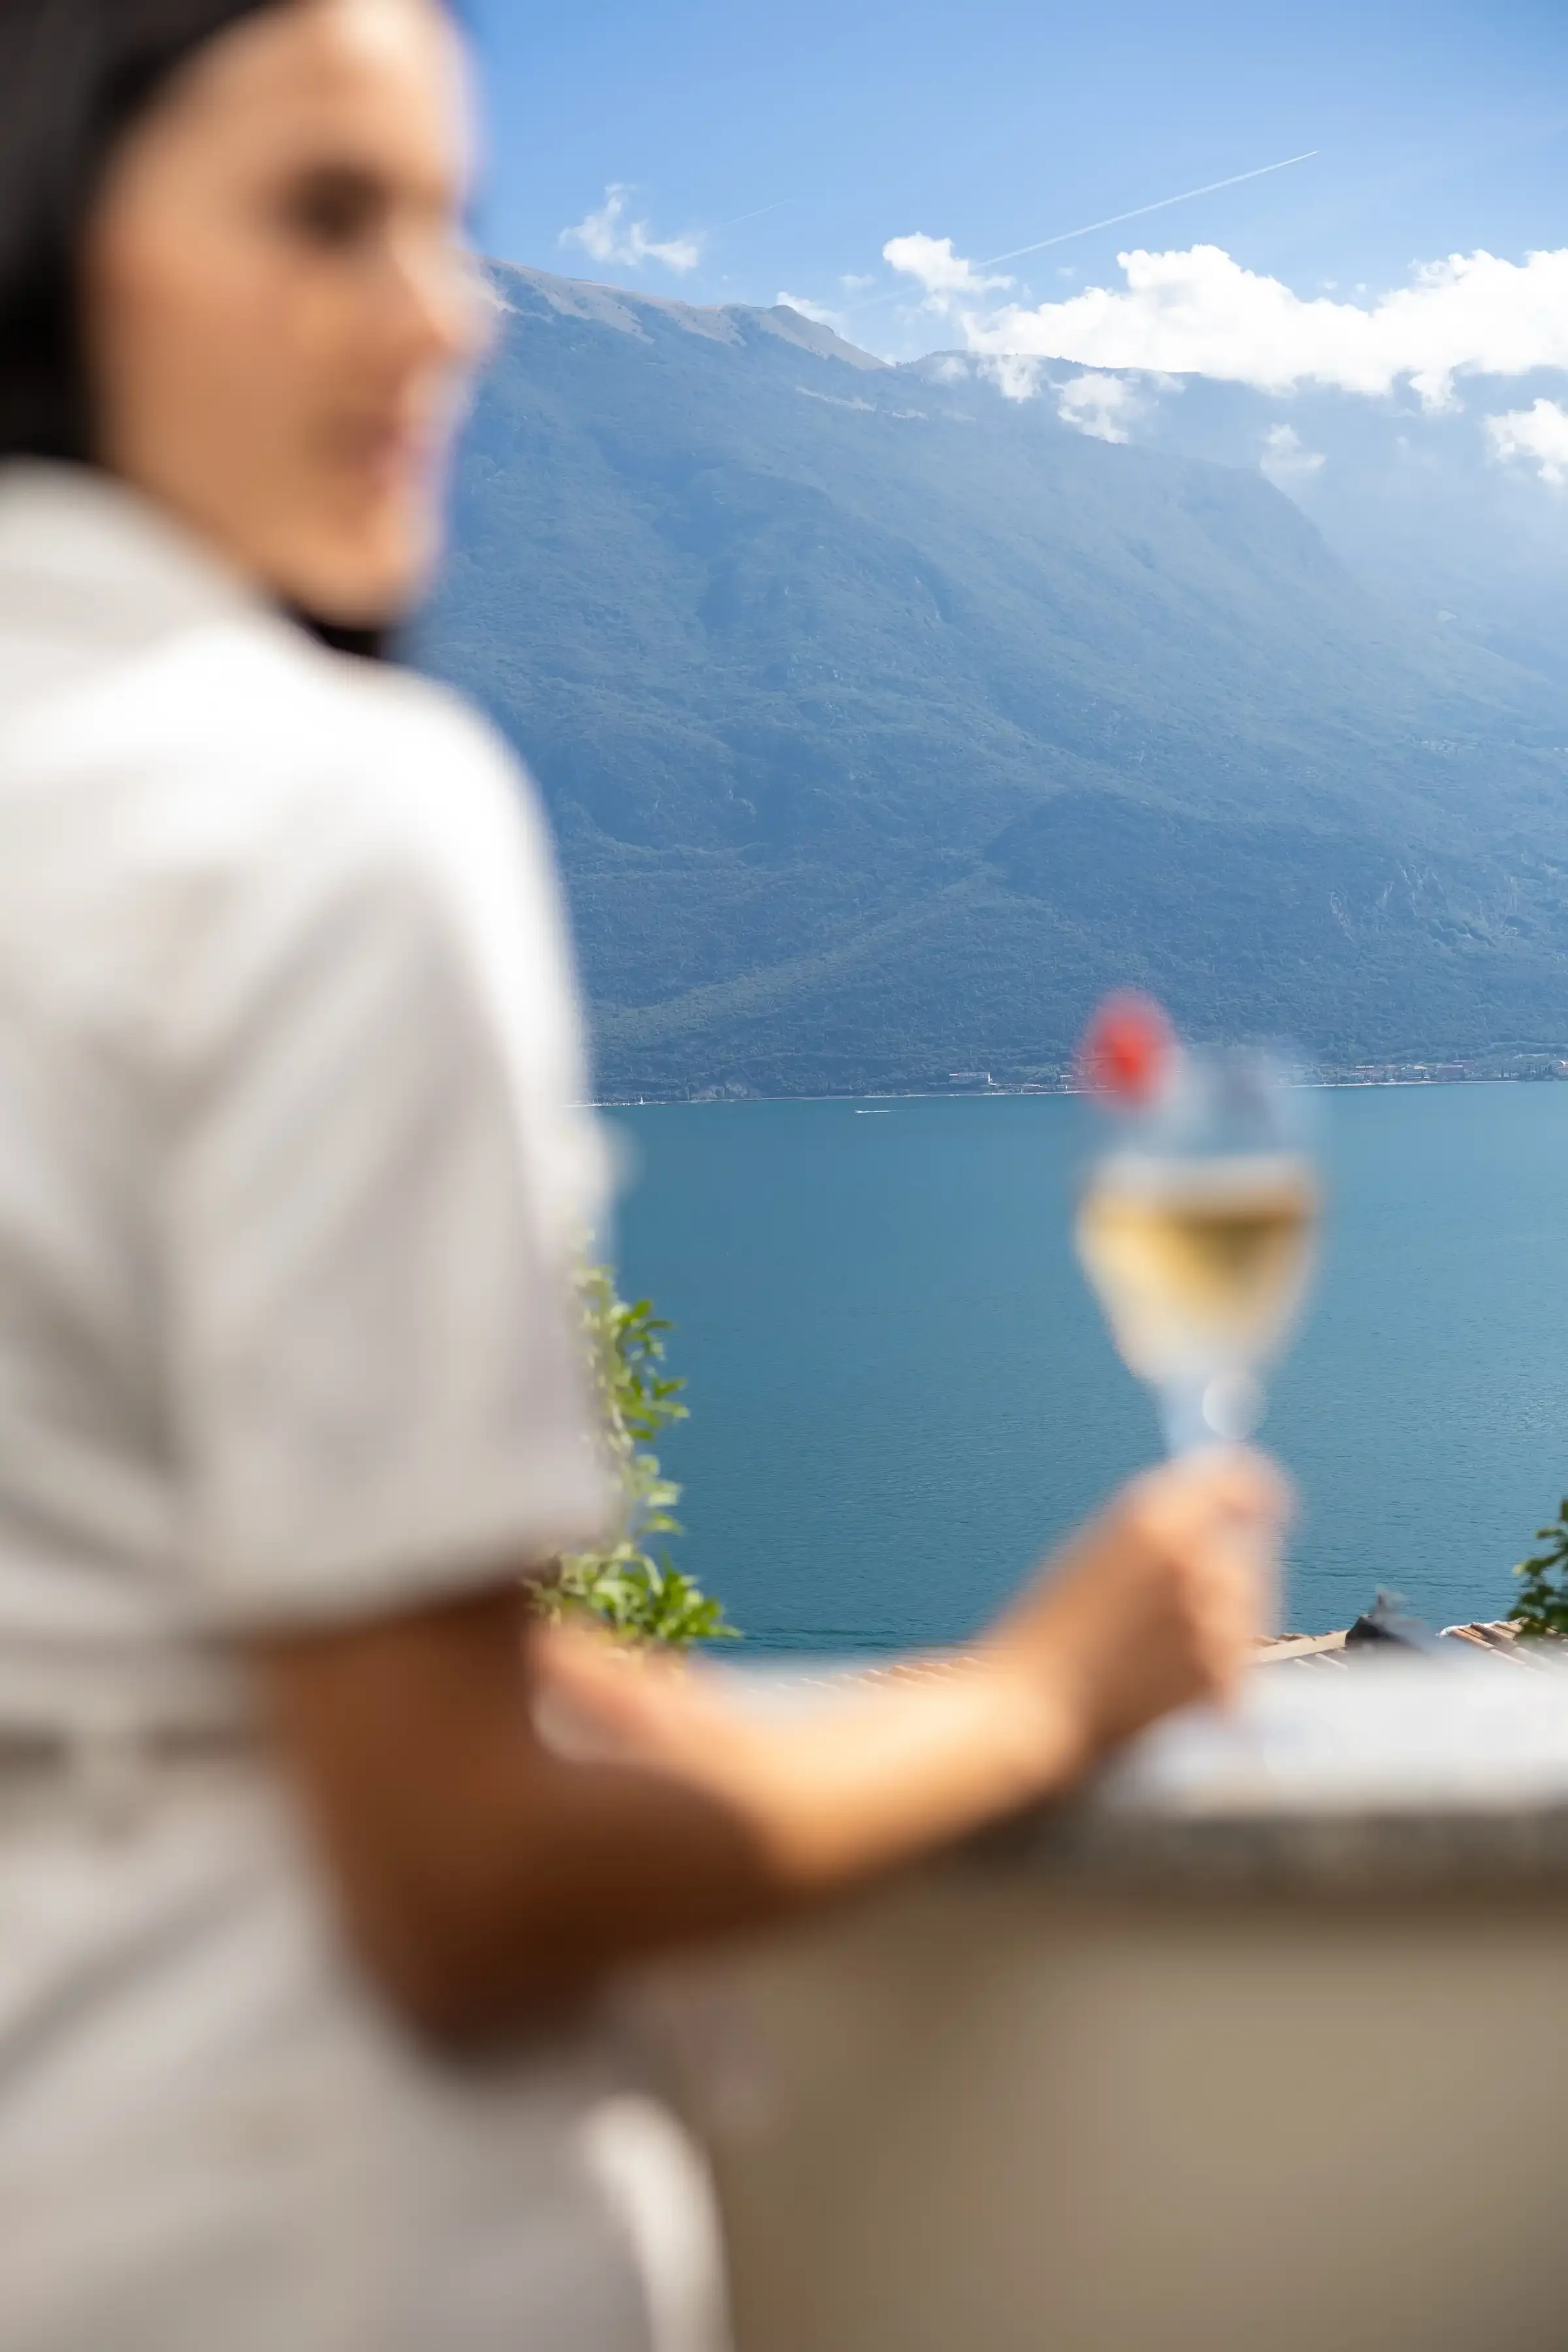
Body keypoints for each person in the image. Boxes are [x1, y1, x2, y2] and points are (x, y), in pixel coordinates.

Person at [0, 2, 1288, 2345]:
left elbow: (153, 1578)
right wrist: (1032, 1702)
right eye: (323, 211)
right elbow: (456, 1880)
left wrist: (699, 1715)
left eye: (447, 222)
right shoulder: (321, 811)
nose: (447, 311)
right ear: (49, 232)